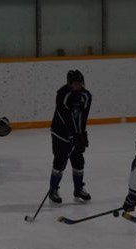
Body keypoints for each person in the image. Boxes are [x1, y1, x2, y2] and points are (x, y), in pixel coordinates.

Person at [47, 69, 93, 204]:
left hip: (76, 134)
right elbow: (64, 116)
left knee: (78, 161)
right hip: (60, 133)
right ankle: (53, 190)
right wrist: (71, 134)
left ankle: (78, 189)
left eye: (80, 83)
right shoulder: (62, 94)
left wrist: (82, 133)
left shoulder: (86, 96)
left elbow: (83, 117)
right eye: (75, 84)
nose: (78, 86)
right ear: (69, 84)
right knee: (60, 161)